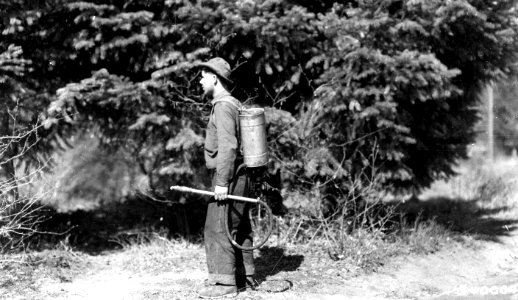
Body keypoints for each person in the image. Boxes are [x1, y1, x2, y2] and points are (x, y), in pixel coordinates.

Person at [195, 57, 256, 298]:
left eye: (203, 76)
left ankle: (225, 284)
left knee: (218, 226)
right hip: (239, 174)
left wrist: (221, 182)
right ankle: (244, 276)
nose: (200, 81)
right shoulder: (234, 103)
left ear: (214, 78)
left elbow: (228, 146)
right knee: (238, 225)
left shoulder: (222, 106)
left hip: (229, 176)